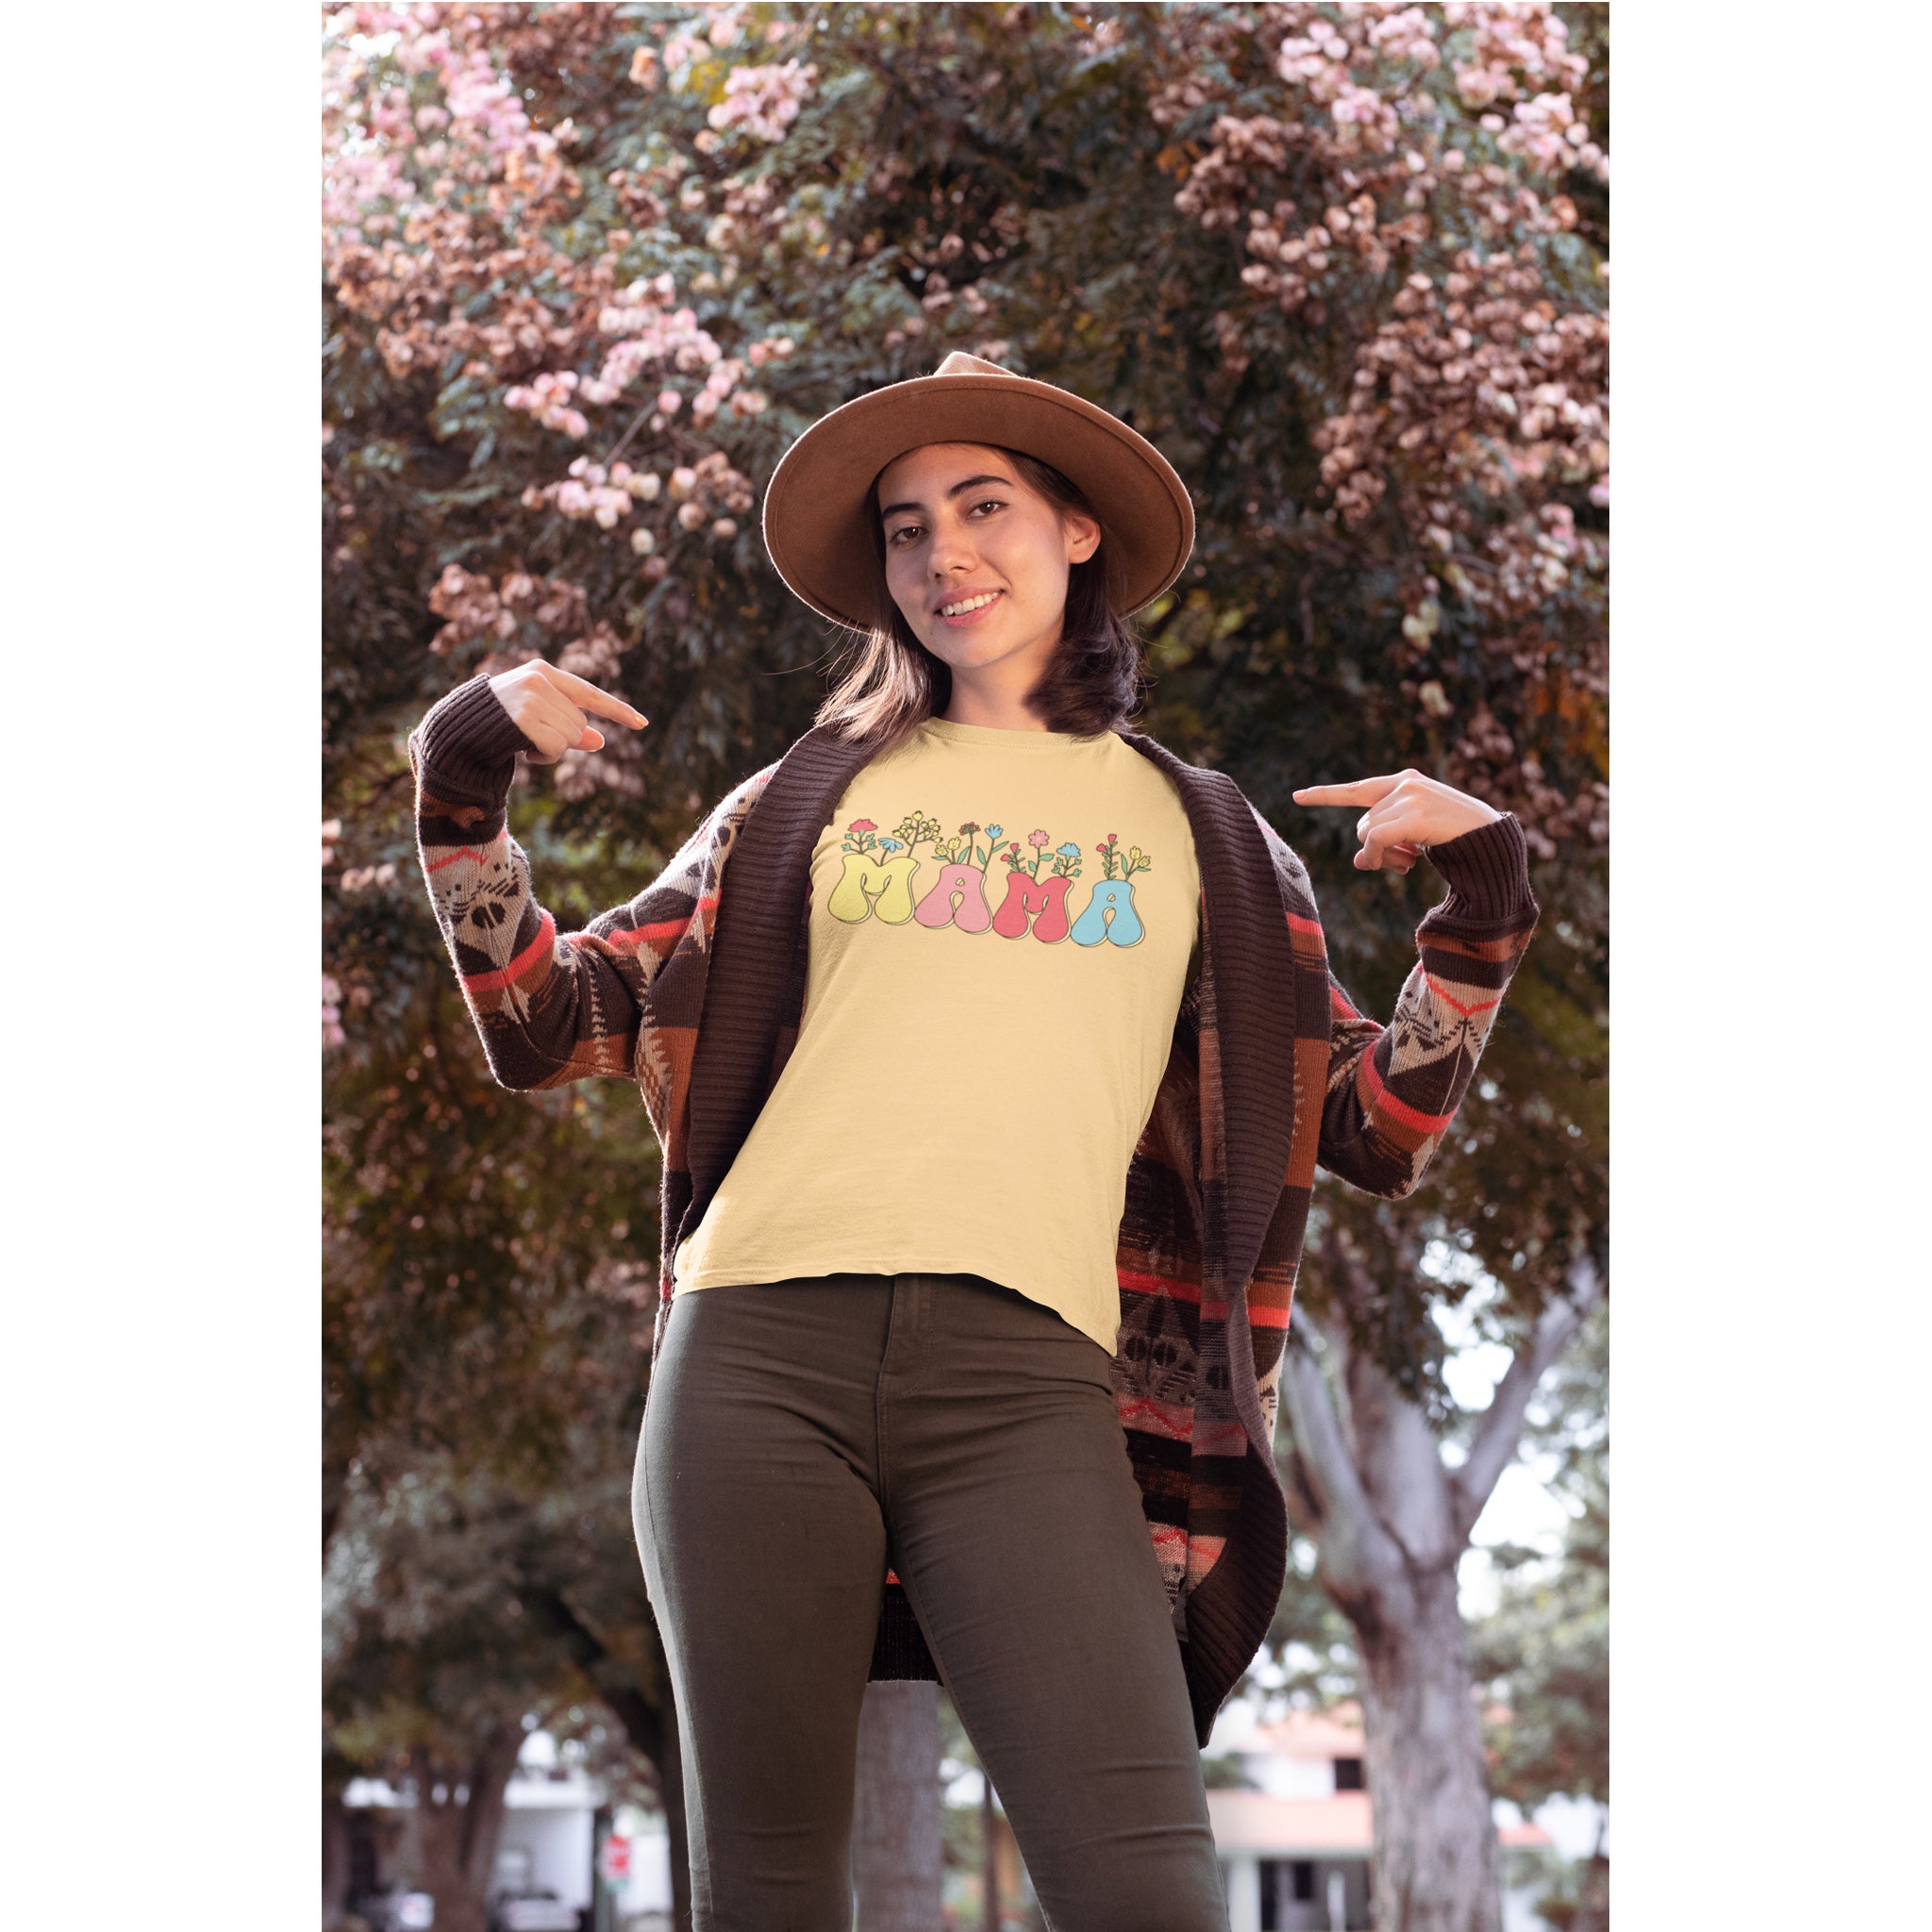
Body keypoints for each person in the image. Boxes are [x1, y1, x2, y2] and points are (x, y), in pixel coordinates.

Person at [408, 353, 1540, 1930]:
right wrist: (464, 783)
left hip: (1034, 1386)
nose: (943, 552)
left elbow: (1370, 1122)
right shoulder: (795, 805)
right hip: (754, 1359)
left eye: (985, 506)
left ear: (1079, 531)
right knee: (769, 1896)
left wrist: (1481, 909)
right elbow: (554, 1023)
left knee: (1148, 1894)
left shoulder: (1208, 836)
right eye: (906, 526)